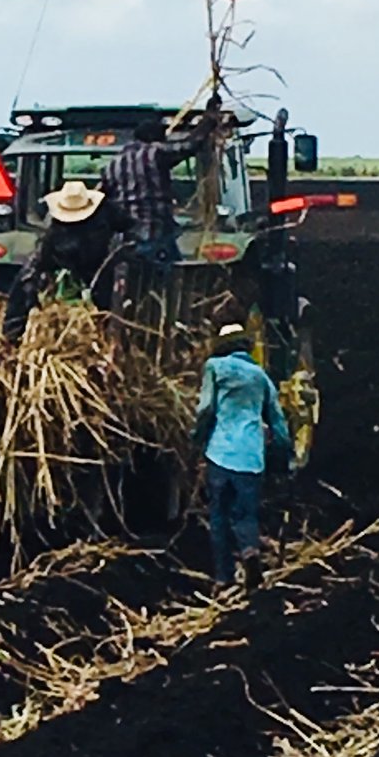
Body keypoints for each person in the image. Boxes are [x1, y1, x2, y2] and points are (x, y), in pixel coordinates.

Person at [193, 320, 292, 593]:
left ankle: (224, 577)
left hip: (220, 453)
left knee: (218, 515)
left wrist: (195, 439)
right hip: (251, 458)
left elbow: (205, 409)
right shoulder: (261, 377)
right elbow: (278, 422)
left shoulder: (215, 368)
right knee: (245, 515)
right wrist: (286, 457)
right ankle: (249, 552)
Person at [2, 177, 112, 339]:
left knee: (24, 283)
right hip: (83, 272)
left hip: (74, 271)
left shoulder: (55, 225)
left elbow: (43, 253)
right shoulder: (97, 226)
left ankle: (13, 334)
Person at [98, 133, 181, 306]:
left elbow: (102, 201)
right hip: (156, 235)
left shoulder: (111, 166)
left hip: (127, 240)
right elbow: (187, 147)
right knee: (168, 280)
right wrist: (207, 124)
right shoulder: (154, 153)